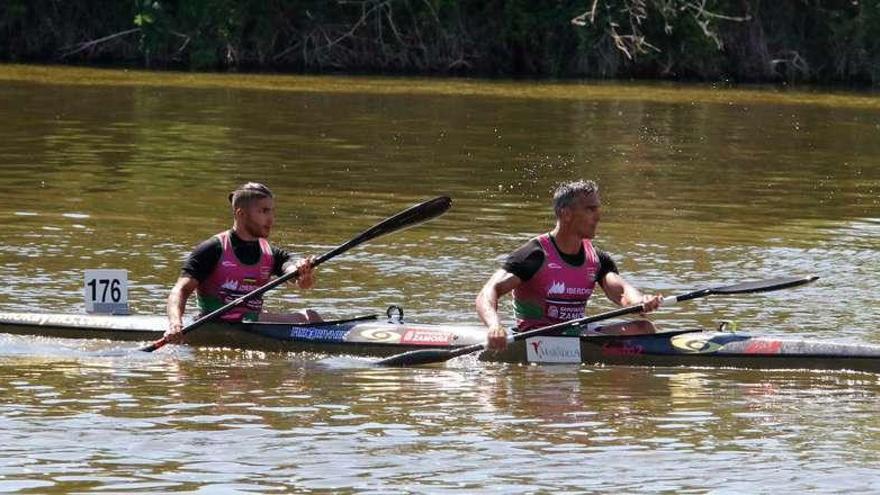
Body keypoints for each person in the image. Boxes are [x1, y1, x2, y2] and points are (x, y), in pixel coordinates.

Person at [476, 180, 663, 351]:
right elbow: (487, 293)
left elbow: (622, 292)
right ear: (566, 214)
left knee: (644, 328)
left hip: (577, 333)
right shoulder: (535, 255)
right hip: (536, 337)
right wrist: (494, 326)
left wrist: (641, 301)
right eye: (590, 209)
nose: (598, 216)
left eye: (598, 209)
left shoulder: (597, 259)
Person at [165, 182, 320, 343]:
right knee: (309, 318)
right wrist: (175, 323)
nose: (271, 219)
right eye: (264, 211)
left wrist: (302, 271)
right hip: (214, 323)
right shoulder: (213, 249)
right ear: (241, 214)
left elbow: (292, 270)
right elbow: (180, 290)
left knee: (311, 316)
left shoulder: (269, 253)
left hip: (250, 321)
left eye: (272, 211)